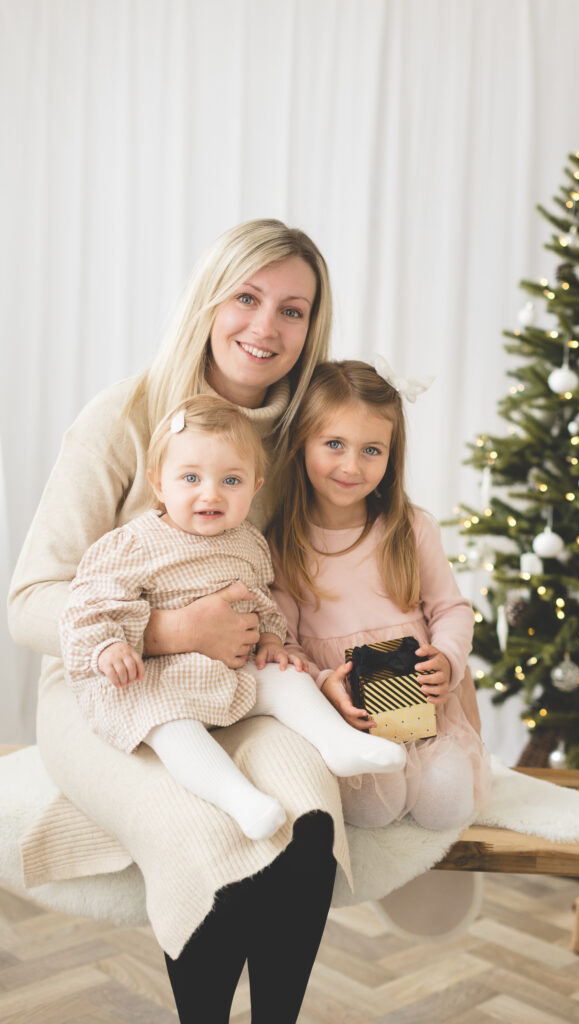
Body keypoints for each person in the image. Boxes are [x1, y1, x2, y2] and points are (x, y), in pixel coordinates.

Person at [8, 220, 353, 1023]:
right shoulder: (122, 418)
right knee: (205, 833)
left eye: (292, 310)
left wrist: (317, 664)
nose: (265, 327)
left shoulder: (304, 435)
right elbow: (28, 602)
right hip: (110, 685)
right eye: (246, 297)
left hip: (237, 675)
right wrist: (168, 632)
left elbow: (311, 580)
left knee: (307, 824)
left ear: (312, 328)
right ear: (208, 300)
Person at [60, 395, 405, 841]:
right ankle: (238, 798)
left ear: (255, 486)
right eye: (190, 478)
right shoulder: (133, 545)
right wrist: (108, 645)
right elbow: (86, 604)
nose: (211, 494)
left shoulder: (248, 543)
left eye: (231, 480)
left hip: (228, 671)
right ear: (158, 484)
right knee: (169, 727)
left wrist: (272, 641)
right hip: (155, 680)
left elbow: (262, 604)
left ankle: (339, 744)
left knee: (286, 676)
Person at [268, 359, 491, 832]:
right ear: (301, 442)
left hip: (427, 709)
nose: (352, 466)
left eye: (371, 450)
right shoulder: (282, 543)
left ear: (392, 455)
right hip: (353, 715)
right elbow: (282, 643)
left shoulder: (409, 527)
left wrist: (448, 660)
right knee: (372, 808)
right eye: (334, 445)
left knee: (446, 804)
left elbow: (451, 609)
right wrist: (324, 681)